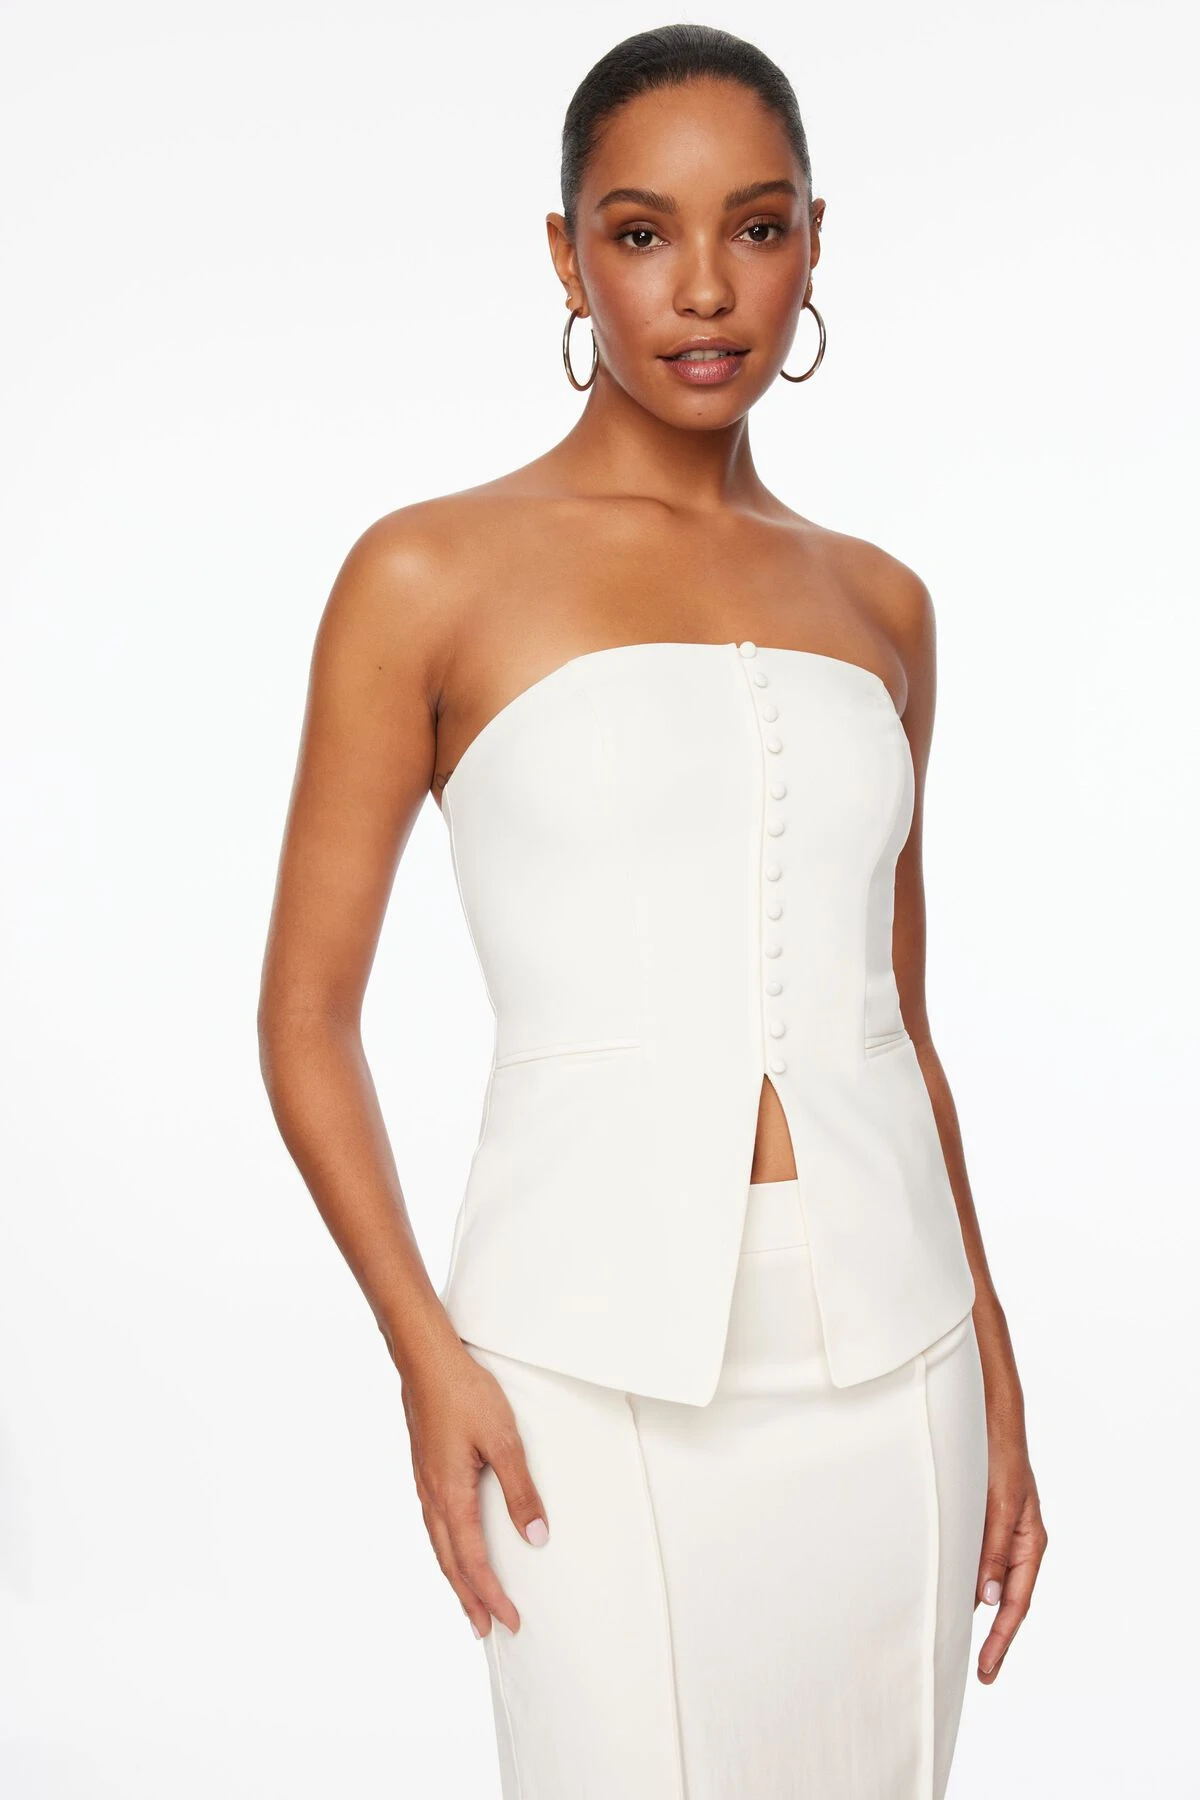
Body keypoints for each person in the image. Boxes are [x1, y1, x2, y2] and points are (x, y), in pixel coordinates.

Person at [257, 22, 1048, 1798]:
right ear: (566, 256)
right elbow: (304, 1020)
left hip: (897, 1360)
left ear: (815, 243)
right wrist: (423, 1357)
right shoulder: (427, 573)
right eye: (640, 232)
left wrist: (995, 1362)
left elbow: (898, 1021)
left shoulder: (883, 605)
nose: (704, 288)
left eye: (756, 228)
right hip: (575, 1371)